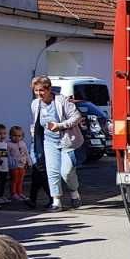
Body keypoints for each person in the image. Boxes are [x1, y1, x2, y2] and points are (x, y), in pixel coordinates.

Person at [29, 77, 83, 211]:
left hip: (66, 141)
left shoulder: (61, 100)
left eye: (41, 90)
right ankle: (56, 201)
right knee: (52, 171)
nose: (38, 94)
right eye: (36, 91)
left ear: (48, 89)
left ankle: (74, 192)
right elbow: (37, 122)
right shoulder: (35, 104)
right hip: (49, 142)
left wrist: (60, 126)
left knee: (66, 172)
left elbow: (76, 116)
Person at [6, 125, 29, 204]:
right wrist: (9, 163)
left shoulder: (23, 143)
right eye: (14, 135)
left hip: (22, 165)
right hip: (13, 165)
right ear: (10, 135)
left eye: (19, 136)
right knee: (14, 179)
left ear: (22, 136)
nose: (17, 137)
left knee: (20, 180)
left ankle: (19, 192)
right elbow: (7, 155)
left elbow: (26, 153)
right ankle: (13, 193)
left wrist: (29, 162)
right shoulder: (8, 144)